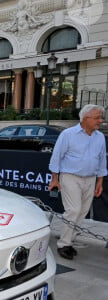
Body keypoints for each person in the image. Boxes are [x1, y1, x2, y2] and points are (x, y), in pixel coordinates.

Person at [48, 104, 107, 260]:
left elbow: (102, 161)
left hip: (91, 178)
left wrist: (100, 182)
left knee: (82, 212)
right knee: (73, 210)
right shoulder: (68, 134)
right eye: (97, 118)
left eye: (101, 118)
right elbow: (56, 157)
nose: (100, 121)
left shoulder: (99, 137)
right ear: (85, 118)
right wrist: (55, 178)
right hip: (70, 177)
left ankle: (69, 241)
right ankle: (63, 244)